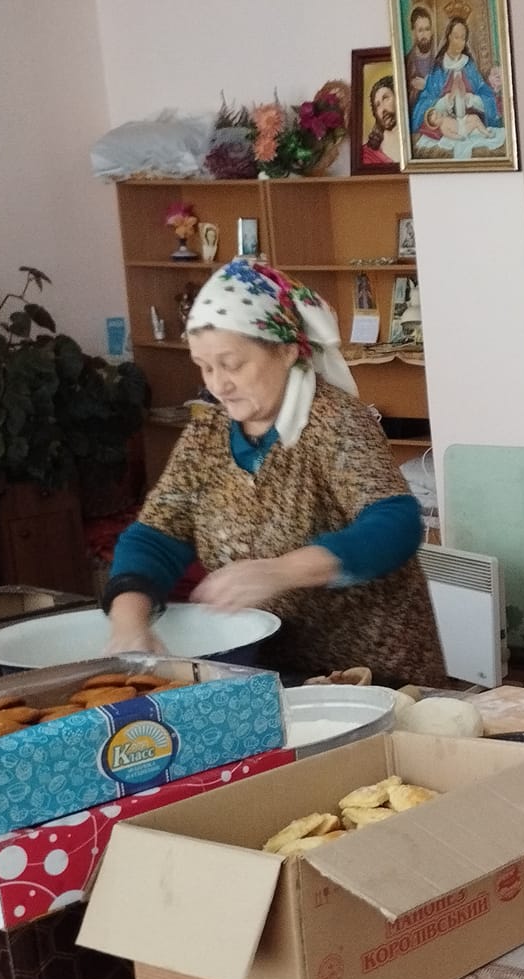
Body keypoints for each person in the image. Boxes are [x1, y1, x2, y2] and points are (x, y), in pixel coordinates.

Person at [103, 259, 445, 687]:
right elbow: (155, 536)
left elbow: (395, 523)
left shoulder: (334, 421)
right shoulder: (205, 436)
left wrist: (283, 570)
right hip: (265, 672)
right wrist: (129, 623)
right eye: (205, 366)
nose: (218, 384)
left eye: (231, 363)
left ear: (285, 351)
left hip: (373, 674)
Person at [410, 16, 505, 159]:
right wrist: (446, 100)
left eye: (463, 38)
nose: (460, 42)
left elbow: (487, 95)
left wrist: (471, 99)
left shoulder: (470, 67)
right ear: (448, 37)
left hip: (470, 127)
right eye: (456, 37)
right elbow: (422, 106)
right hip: (447, 129)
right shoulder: (438, 69)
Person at [404, 7, 439, 105]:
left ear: (431, 31)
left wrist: (426, 86)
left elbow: (447, 92)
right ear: (413, 32)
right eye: (420, 30)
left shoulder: (440, 61)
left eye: (427, 29)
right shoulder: (406, 63)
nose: (424, 35)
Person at [363, 75, 400, 166]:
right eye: (377, 105)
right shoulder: (367, 154)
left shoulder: (418, 141)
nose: (382, 109)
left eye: (386, 98)